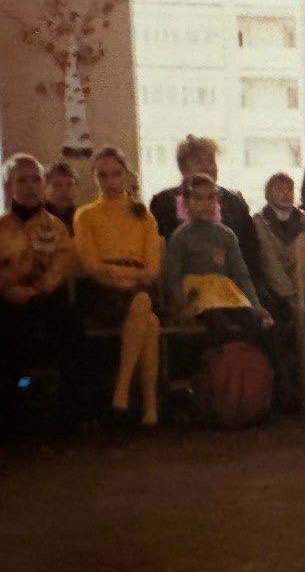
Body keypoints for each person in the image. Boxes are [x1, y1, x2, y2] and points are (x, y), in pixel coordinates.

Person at [74, 147, 163, 427]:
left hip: (137, 289)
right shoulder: (85, 215)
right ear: (95, 178)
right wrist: (125, 276)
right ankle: (148, 406)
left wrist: (125, 276)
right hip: (102, 291)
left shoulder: (144, 216)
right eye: (103, 176)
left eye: (116, 174)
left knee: (143, 306)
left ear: (126, 175)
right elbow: (92, 266)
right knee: (149, 319)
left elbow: (152, 269)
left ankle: (122, 391)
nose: (110, 181)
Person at [0, 154, 87, 433]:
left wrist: (40, 288)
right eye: (21, 181)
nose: (30, 187)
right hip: (9, 299)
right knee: (9, 339)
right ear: (9, 187)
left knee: (73, 330)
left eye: (35, 179)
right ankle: (11, 414)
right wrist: (9, 289)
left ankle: (69, 414)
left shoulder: (56, 227)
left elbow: (61, 263)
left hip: (46, 296)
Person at [163, 173, 271, 341]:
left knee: (253, 321)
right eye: (198, 199)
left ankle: (246, 356)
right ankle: (222, 355)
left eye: (210, 198)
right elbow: (173, 276)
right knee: (216, 322)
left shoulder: (227, 235)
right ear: (186, 202)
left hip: (225, 293)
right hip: (196, 297)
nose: (205, 204)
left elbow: (240, 274)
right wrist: (183, 305)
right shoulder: (180, 237)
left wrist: (255, 304)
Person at [149, 135, 264, 292]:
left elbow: (251, 255)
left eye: (211, 161)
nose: (207, 167)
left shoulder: (234, 202)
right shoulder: (163, 203)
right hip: (185, 288)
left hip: (233, 289)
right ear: (183, 169)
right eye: (199, 162)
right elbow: (163, 256)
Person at [252, 173, 305, 412]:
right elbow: (268, 260)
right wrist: (288, 293)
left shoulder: (304, 219)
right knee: (279, 329)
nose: (284, 194)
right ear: (268, 193)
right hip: (274, 291)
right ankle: (284, 394)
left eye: (288, 189)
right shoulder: (260, 221)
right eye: (278, 189)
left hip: (304, 287)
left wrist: (301, 290)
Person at [43, 161, 79, 234]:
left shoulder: (82, 218)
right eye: (56, 185)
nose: (64, 190)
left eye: (69, 185)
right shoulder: (35, 219)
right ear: (44, 189)